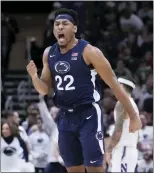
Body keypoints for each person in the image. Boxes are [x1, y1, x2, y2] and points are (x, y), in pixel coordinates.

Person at [27, 8, 142, 173]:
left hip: (88, 114)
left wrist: (133, 115)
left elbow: (115, 85)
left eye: (64, 24)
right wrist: (34, 77)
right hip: (65, 116)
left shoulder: (90, 52)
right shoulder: (49, 53)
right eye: (56, 24)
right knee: (73, 169)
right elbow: (44, 89)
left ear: (74, 28)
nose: (59, 27)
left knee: (95, 168)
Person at [106, 77, 141, 172]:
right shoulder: (133, 104)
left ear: (121, 86)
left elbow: (118, 130)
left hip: (123, 150)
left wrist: (109, 150)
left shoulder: (122, 103)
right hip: (130, 150)